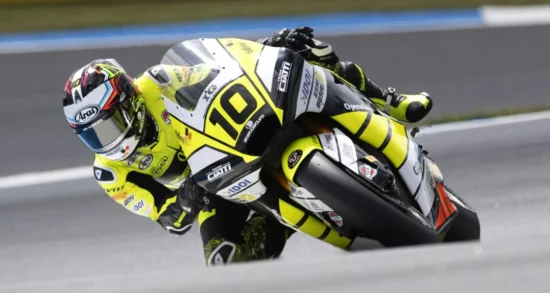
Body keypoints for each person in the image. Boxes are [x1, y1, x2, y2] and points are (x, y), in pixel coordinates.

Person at [62, 27, 432, 266]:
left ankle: (387, 101)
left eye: (110, 125)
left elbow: (221, 70)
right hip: (212, 188)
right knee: (223, 260)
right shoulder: (111, 174)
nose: (107, 141)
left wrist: (267, 48)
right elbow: (168, 220)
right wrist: (185, 201)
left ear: (129, 101)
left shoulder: (158, 83)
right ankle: (280, 223)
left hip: (234, 137)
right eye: (92, 135)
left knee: (306, 51)